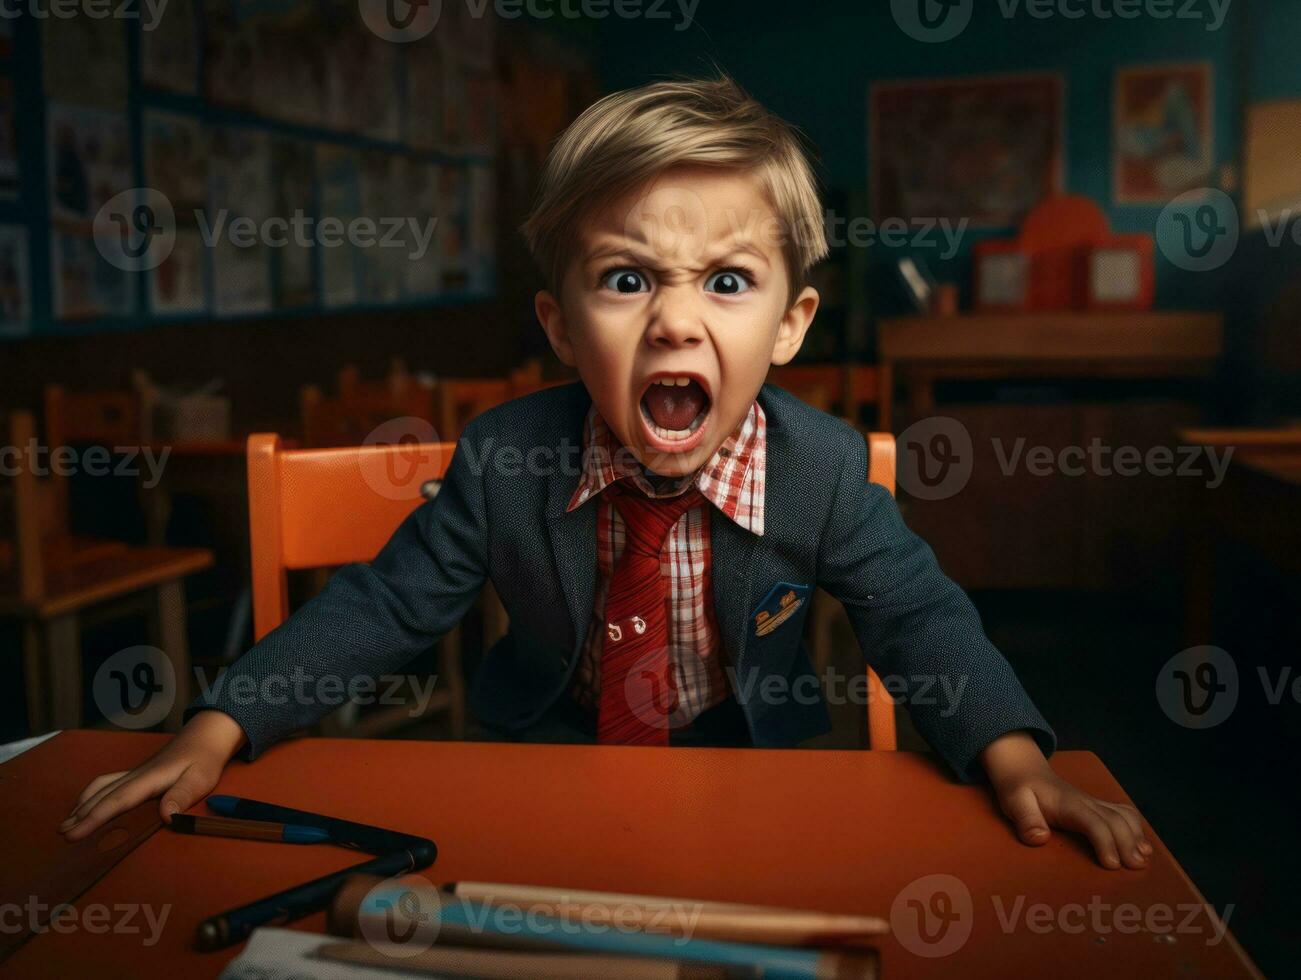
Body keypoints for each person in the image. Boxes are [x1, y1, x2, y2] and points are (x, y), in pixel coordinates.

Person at [63, 76, 1151, 871]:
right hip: (544, 765)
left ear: (789, 324)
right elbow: (380, 608)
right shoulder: (502, 460)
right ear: (560, 325)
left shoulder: (815, 470)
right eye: (626, 278)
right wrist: (218, 725)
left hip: (755, 774)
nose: (676, 319)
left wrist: (1013, 757)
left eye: (727, 280)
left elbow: (918, 615)